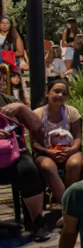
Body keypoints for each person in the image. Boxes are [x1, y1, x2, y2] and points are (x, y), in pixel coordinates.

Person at [0, 96, 51, 240]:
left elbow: (36, 126)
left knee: (28, 170)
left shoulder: (9, 100)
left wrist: (22, 108)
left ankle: (37, 221)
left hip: (14, 152)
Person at [32, 79, 82, 198]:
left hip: (68, 150)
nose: (60, 95)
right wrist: (48, 151)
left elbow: (77, 137)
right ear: (47, 93)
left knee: (75, 163)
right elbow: (34, 142)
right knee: (48, 166)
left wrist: (71, 149)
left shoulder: (72, 112)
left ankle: (71, 198)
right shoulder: (37, 114)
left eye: (64, 93)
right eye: (56, 91)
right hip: (45, 152)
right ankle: (65, 203)